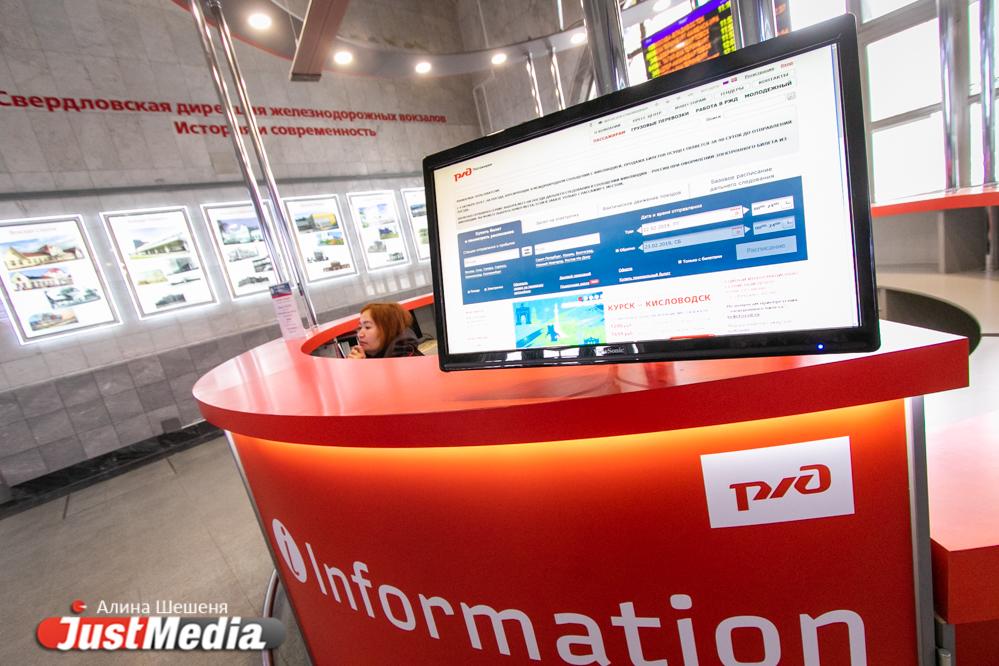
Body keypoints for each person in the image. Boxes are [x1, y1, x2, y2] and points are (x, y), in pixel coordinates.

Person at [347, 302, 423, 359]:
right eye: (360, 328)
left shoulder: (405, 359)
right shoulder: (371, 356)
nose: (360, 335)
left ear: (389, 330)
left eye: (367, 327)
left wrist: (363, 367)